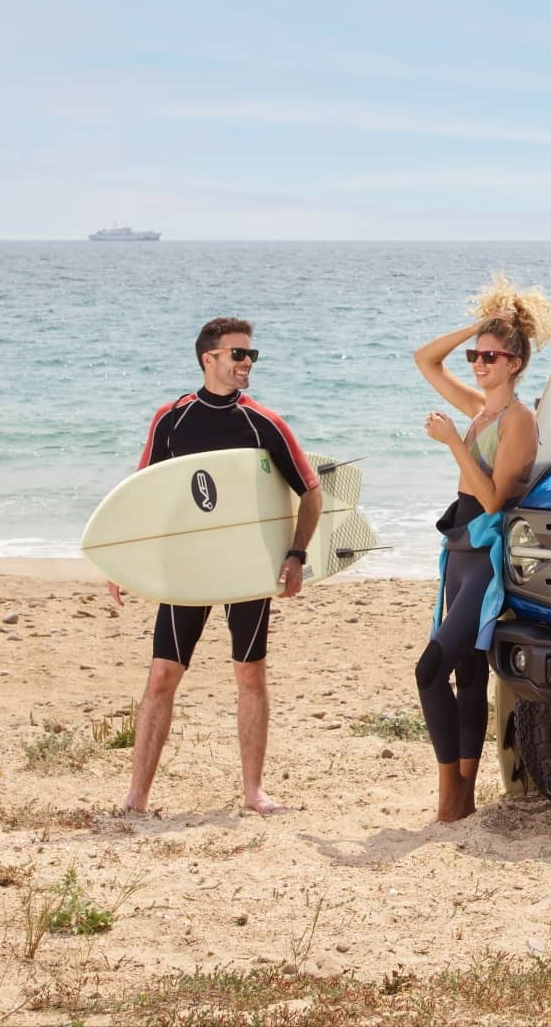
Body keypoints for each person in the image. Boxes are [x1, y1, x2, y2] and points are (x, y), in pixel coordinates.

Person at [111, 317, 322, 815]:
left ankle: (253, 793)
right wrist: (122, 561)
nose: (247, 363)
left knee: (249, 673)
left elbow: (311, 492)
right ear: (209, 358)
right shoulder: (173, 418)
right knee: (162, 675)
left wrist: (295, 555)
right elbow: (143, 495)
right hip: (187, 568)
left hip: (247, 567)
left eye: (252, 355)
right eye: (238, 354)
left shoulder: (264, 423)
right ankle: (137, 797)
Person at [412, 275, 551, 821]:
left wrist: (453, 443)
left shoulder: (518, 421)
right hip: (458, 550)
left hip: (486, 555)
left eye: (490, 357)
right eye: (476, 355)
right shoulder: (480, 410)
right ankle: (460, 797)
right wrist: (478, 326)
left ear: (514, 365)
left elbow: (495, 499)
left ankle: (453, 793)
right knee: (466, 676)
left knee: (432, 669)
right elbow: (425, 360)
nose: (478, 363)